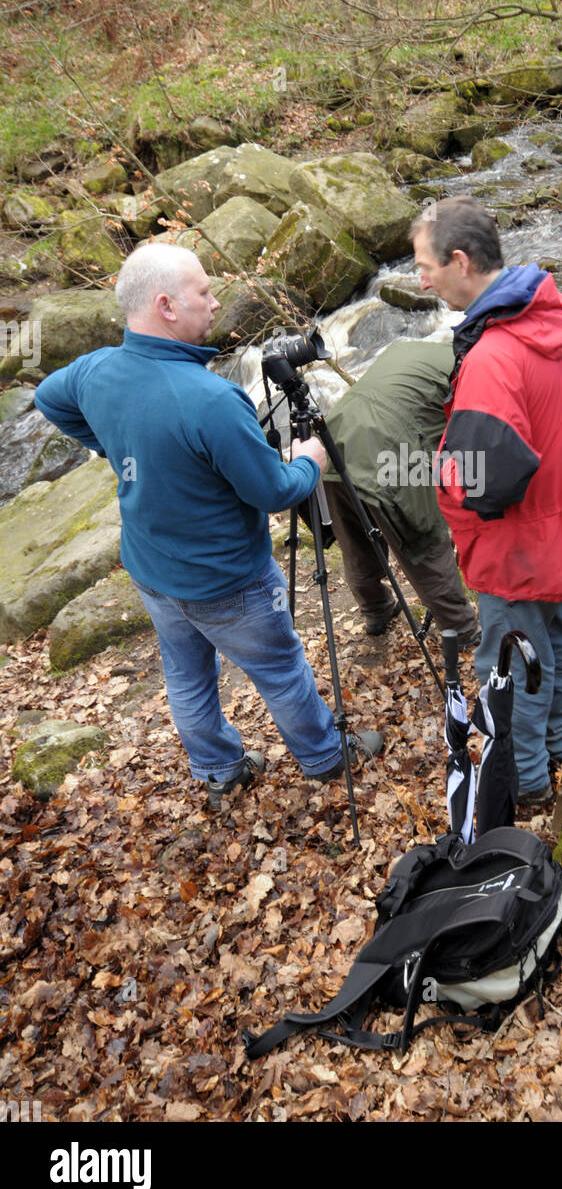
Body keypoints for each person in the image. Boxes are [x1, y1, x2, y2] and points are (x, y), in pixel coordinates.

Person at [34, 243, 380, 810]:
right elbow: (273, 492)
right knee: (280, 668)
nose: (216, 303)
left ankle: (219, 770)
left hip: (152, 569)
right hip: (229, 582)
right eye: (204, 293)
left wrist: (116, 447)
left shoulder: (97, 370)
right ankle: (324, 757)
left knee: (188, 675)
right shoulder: (212, 400)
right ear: (167, 305)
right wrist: (309, 459)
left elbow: (50, 398)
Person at [411, 197, 562, 806]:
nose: (419, 280)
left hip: (518, 553)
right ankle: (557, 753)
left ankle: (526, 786)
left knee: (510, 667)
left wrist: (435, 468)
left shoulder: (493, 358)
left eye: (424, 266)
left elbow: (483, 484)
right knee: (558, 641)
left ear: (460, 261)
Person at [321, 338, 479, 647]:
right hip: (387, 450)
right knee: (424, 542)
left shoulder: (407, 348)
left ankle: (377, 609)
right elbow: (471, 434)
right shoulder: (473, 368)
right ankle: (461, 630)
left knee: (355, 539)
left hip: (331, 442)